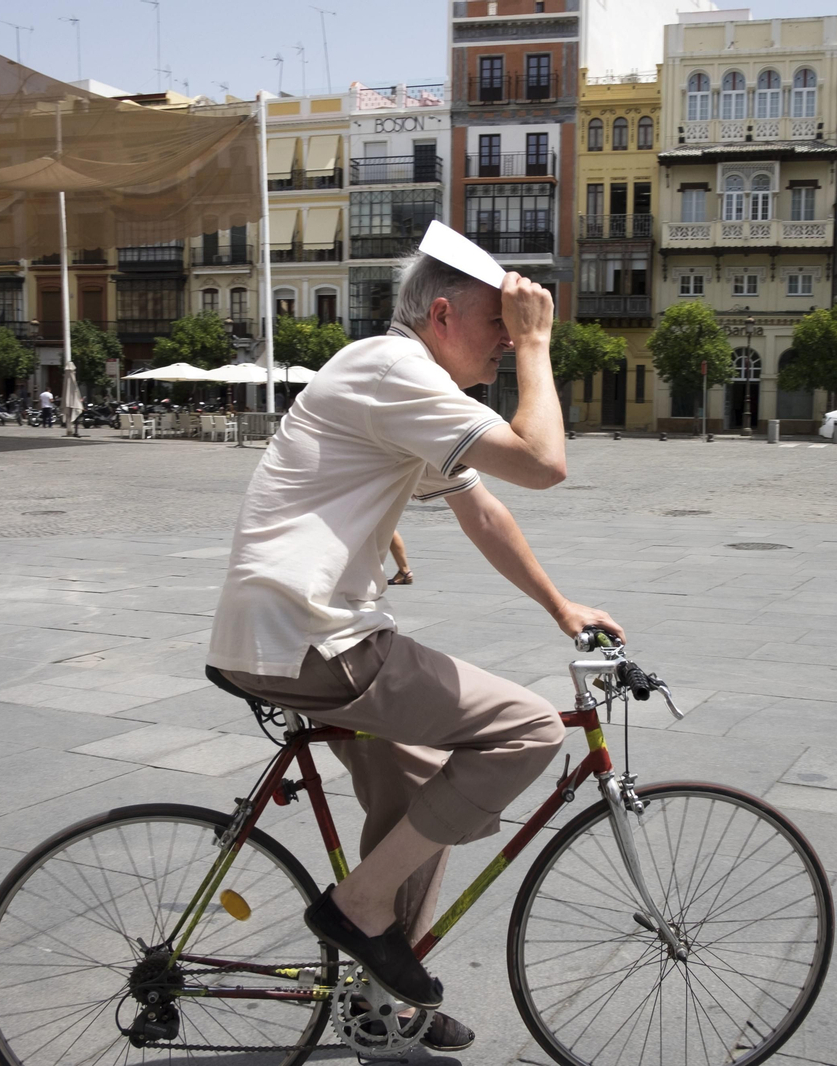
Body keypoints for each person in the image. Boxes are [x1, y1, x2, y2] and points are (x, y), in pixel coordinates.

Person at [207, 256, 620, 1052]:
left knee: (425, 791)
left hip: (294, 634)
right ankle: (358, 909)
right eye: (497, 326)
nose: (507, 342)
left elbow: (484, 512)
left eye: (514, 331)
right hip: (313, 637)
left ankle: (383, 1006)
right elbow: (545, 463)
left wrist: (562, 608)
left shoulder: (399, 381)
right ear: (441, 317)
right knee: (530, 729)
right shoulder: (394, 369)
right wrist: (541, 347)